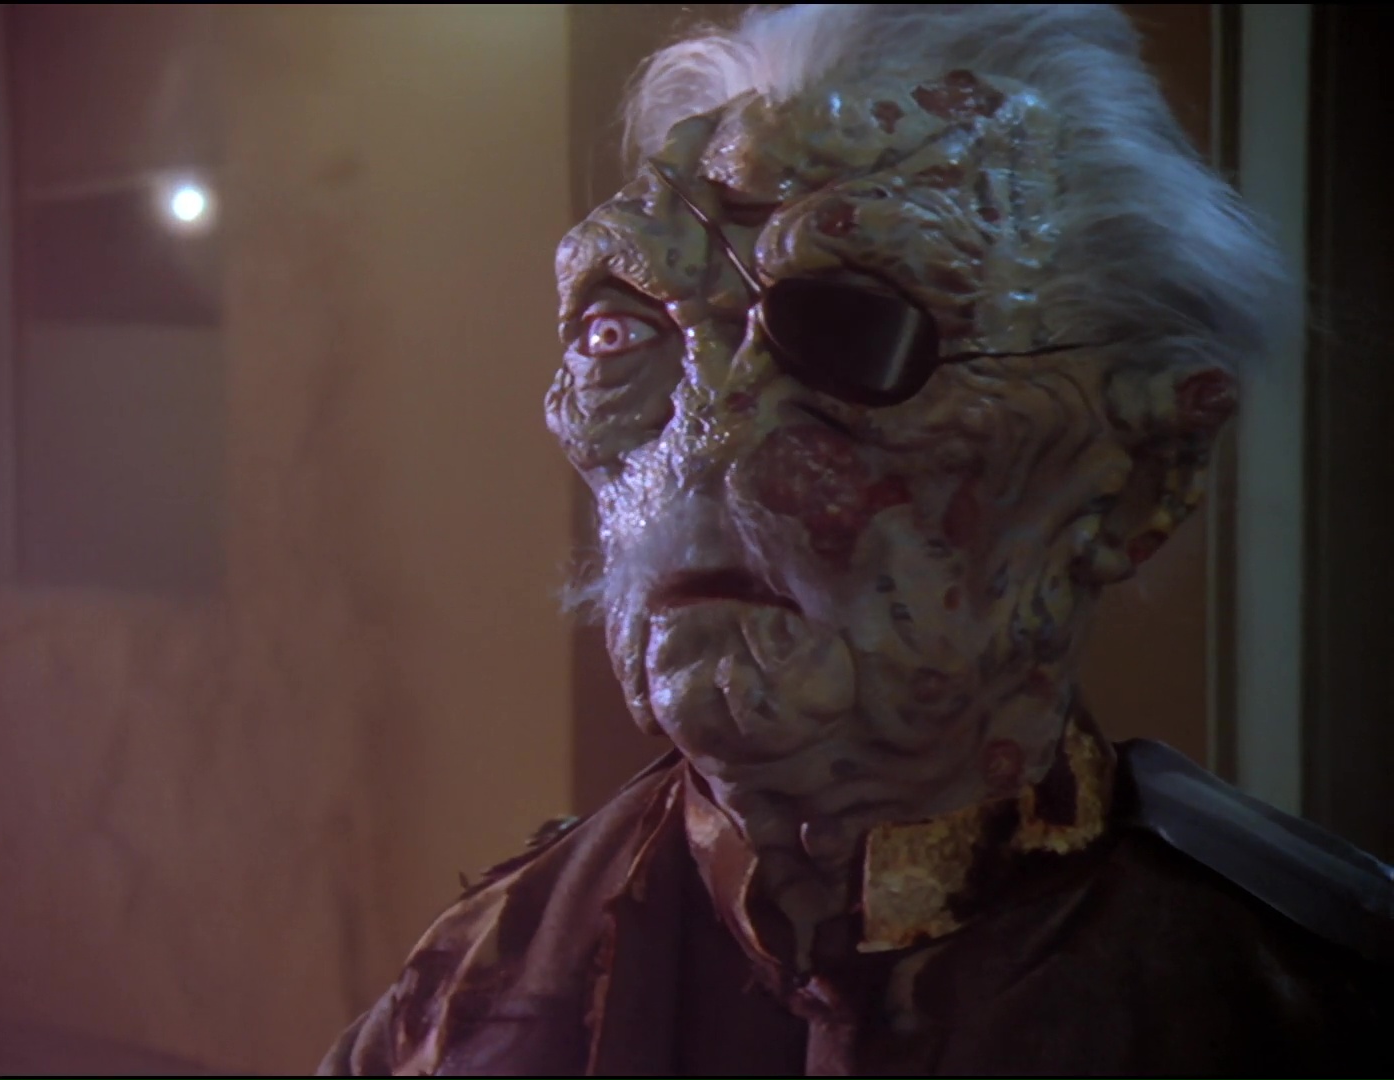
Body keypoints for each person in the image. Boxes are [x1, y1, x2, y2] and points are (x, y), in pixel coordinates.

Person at [319, 5, 1393, 1074]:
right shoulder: (471, 999)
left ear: (1142, 474)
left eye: (854, 332)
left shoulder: (1304, 1002)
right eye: (621, 333)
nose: (709, 434)